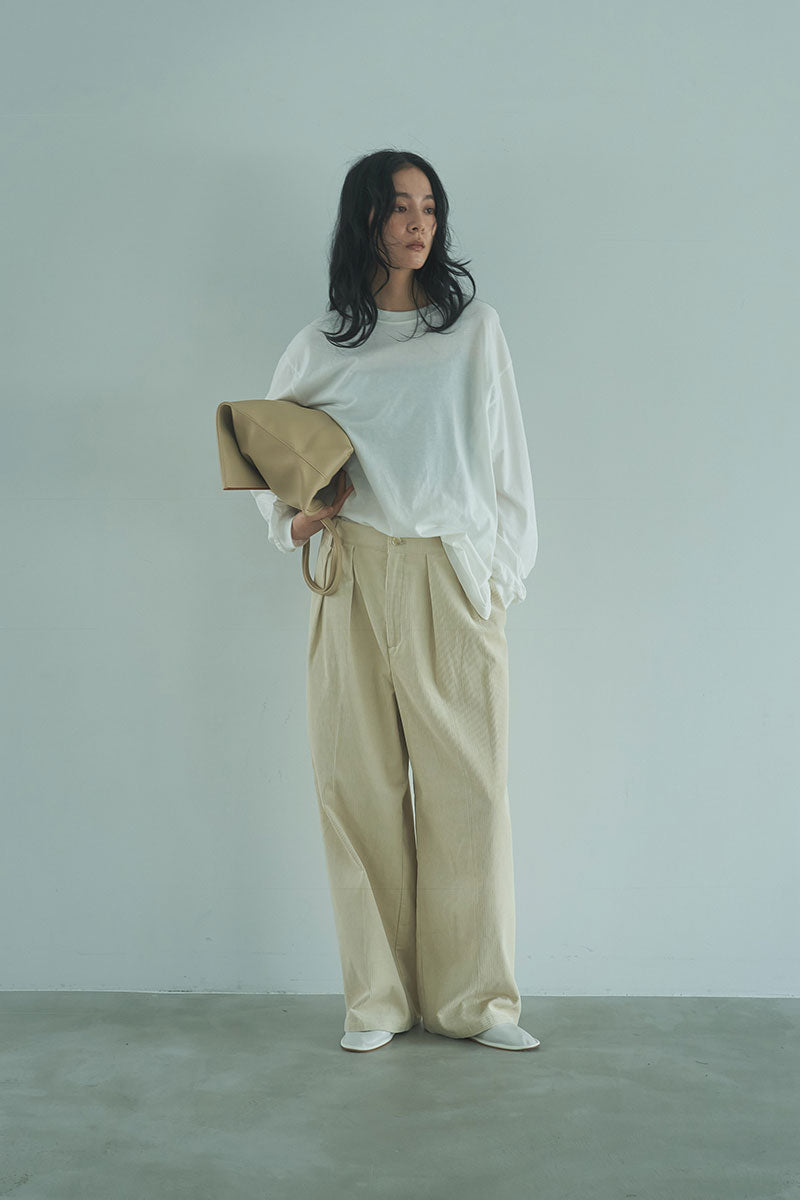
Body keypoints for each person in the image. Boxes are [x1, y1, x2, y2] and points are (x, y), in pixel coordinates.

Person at [250, 150, 540, 1054]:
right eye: (400, 207)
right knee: (357, 787)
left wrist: (500, 576)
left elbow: (507, 460)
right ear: (365, 220)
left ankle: (477, 1004)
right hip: (353, 574)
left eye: (430, 208)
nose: (419, 224)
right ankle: (377, 1000)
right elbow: (270, 462)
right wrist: (301, 521)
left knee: (471, 791)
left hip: (452, 571)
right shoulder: (319, 346)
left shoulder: (473, 331)